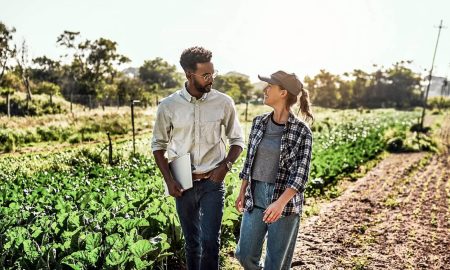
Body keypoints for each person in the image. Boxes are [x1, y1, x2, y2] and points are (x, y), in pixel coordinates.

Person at [151, 46, 244, 270]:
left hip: (213, 182)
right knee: (192, 243)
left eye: (213, 73)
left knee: (210, 242)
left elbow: (237, 141)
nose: (211, 79)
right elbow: (158, 146)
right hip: (183, 183)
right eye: (205, 75)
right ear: (188, 74)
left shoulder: (223, 102)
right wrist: (169, 181)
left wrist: (225, 167)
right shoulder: (168, 105)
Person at [235, 70, 314, 270]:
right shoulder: (258, 123)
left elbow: (300, 175)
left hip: (285, 202)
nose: (265, 89)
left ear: (283, 93)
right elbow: (249, 160)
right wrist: (242, 190)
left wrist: (280, 203)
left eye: (270, 86)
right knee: (244, 255)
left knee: (275, 264)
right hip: (256, 195)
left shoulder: (302, 131)